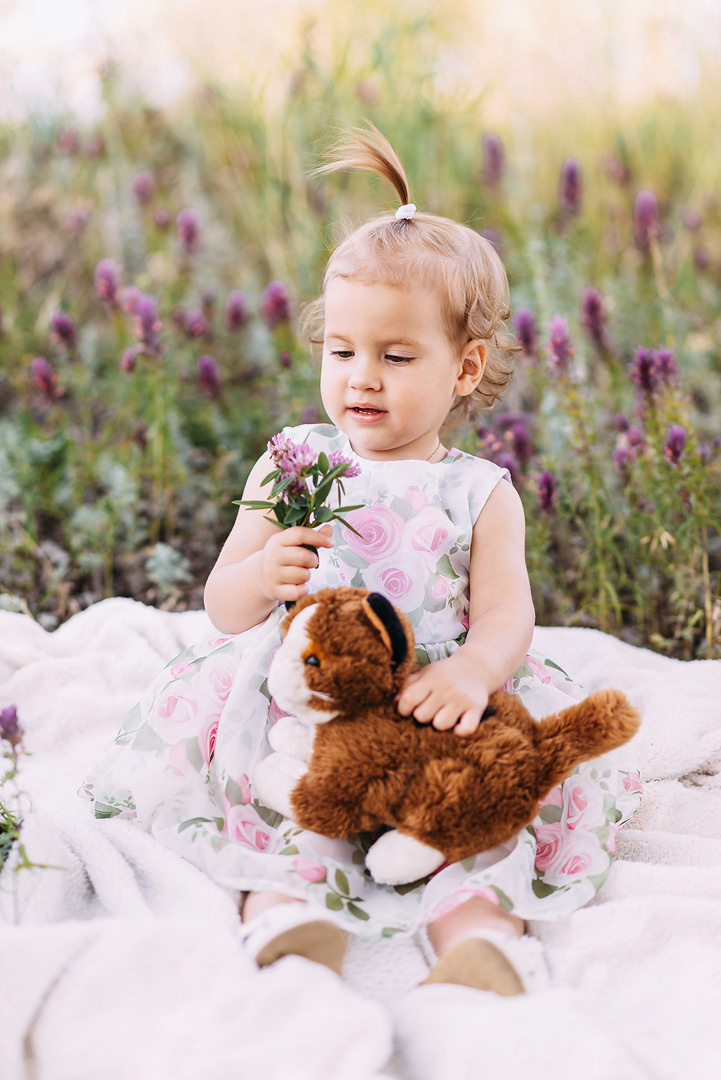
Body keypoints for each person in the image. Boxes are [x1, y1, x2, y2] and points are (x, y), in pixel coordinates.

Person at [84, 125, 641, 996]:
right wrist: (261, 576)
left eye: (395, 356)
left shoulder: (478, 491)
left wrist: (471, 672)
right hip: (307, 701)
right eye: (341, 352)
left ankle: (478, 939)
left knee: (469, 817)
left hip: (429, 703)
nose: (361, 378)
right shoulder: (293, 462)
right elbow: (223, 604)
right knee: (286, 810)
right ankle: (289, 920)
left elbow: (507, 612)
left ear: (466, 368)